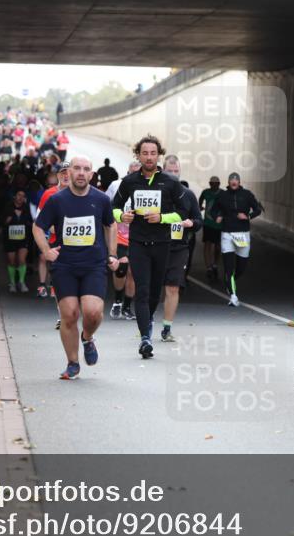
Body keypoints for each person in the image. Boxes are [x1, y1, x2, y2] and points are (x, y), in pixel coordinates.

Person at [33, 155, 117, 380]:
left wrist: (112, 254)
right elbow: (38, 227)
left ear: (91, 174)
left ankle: (87, 337)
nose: (81, 173)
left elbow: (111, 224)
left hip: (94, 265)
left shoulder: (101, 200)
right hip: (65, 266)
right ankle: (72, 363)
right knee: (69, 314)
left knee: (93, 312)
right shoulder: (57, 200)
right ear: (68, 173)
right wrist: (46, 251)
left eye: (86, 169)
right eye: (77, 168)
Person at [112, 135, 188, 358]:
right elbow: (114, 205)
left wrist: (163, 218)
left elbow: (184, 212)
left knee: (155, 291)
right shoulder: (130, 182)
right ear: (138, 155)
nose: (149, 157)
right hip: (138, 243)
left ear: (158, 155)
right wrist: (122, 216)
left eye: (153, 153)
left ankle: (148, 322)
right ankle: (145, 338)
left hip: (162, 243)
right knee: (142, 290)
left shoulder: (170, 182)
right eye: (144, 153)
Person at [161, 156, 202, 343]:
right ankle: (145, 326)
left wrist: (190, 223)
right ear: (162, 171)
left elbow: (199, 221)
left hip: (179, 247)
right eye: (169, 171)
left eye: (176, 171)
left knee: (172, 287)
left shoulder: (188, 195)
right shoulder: (154, 193)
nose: (173, 174)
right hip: (155, 246)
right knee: (150, 288)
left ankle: (167, 328)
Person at [210, 172, 263, 306]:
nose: (234, 182)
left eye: (236, 180)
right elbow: (213, 210)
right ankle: (233, 296)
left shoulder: (247, 194)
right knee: (228, 267)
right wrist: (217, 216)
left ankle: (230, 280)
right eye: (231, 180)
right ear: (228, 182)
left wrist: (248, 216)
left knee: (241, 268)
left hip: (243, 234)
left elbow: (257, 209)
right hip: (227, 233)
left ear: (239, 182)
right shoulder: (222, 195)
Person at [106, 162, 140, 320]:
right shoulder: (116, 185)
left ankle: (126, 306)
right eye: (131, 173)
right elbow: (105, 206)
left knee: (133, 273)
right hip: (119, 235)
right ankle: (118, 300)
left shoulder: (146, 189)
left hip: (138, 236)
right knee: (121, 269)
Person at [36, 165, 70, 299]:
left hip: (71, 237)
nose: (66, 176)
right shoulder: (49, 193)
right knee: (46, 258)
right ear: (58, 176)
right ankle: (43, 285)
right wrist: (52, 228)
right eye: (63, 173)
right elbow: (39, 218)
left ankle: (57, 285)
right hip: (51, 234)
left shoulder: (80, 193)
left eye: (69, 173)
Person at [1, 190, 32, 293]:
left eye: (23, 196)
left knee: (22, 259)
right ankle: (12, 283)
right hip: (10, 238)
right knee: (12, 261)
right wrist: (9, 218)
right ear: (14, 196)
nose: (20, 198)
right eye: (19, 195)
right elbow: (3, 222)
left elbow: (31, 222)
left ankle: (22, 282)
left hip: (23, 238)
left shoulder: (26, 208)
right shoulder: (8, 207)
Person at [198, 175, 223, 280]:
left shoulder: (223, 193)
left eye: (215, 184)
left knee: (218, 246)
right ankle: (209, 267)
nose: (213, 185)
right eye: (211, 183)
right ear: (209, 184)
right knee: (207, 244)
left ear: (219, 184)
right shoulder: (206, 192)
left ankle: (215, 265)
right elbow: (200, 200)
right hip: (208, 223)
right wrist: (200, 207)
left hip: (219, 224)